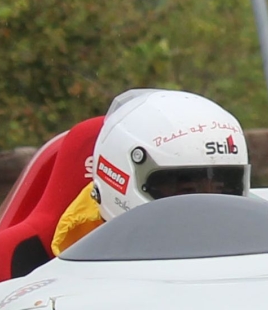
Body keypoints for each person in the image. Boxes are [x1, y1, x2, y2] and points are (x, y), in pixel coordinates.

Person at [49, 88, 251, 252]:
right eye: (187, 191)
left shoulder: (259, 239)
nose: (207, 212)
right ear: (120, 178)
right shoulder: (76, 275)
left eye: (222, 189)